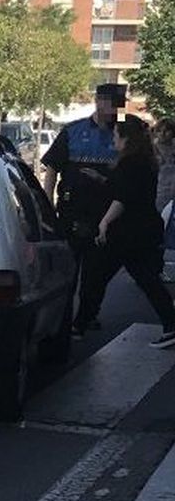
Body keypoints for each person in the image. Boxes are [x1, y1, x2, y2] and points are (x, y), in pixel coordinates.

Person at [43, 83, 123, 336]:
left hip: (106, 216)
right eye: (111, 104)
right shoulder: (73, 131)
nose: (115, 111)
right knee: (68, 273)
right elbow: (52, 169)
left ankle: (85, 318)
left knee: (95, 275)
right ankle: (64, 321)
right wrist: (47, 203)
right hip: (72, 212)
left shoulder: (123, 134)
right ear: (99, 101)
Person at [90, 117, 175, 348]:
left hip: (130, 232)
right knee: (144, 278)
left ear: (126, 138)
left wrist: (104, 222)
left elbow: (123, 198)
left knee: (103, 273)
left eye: (116, 135)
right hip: (141, 230)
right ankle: (84, 318)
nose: (113, 140)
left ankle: (83, 319)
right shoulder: (144, 161)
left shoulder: (131, 163)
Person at [155, 119, 175, 281]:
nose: (163, 134)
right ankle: (155, 264)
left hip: (171, 192)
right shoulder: (152, 148)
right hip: (158, 192)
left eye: (167, 130)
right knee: (157, 228)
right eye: (160, 130)